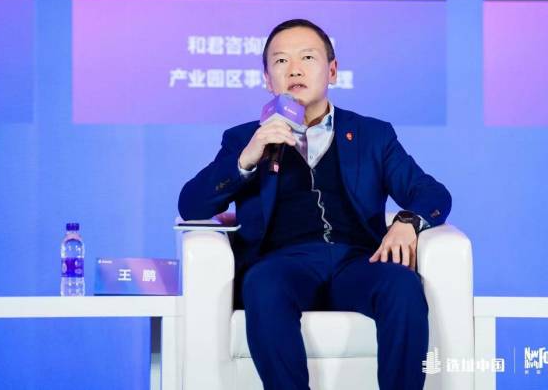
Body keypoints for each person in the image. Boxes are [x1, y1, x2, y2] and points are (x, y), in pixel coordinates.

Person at [178, 19, 451, 390]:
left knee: (402, 285)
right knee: (263, 284)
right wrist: (246, 159)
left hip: (359, 262)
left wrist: (407, 221)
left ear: (332, 71)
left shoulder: (372, 135)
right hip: (282, 265)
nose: (294, 69)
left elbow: (432, 192)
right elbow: (191, 204)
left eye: (307, 57)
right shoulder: (244, 138)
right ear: (267, 79)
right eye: (281, 61)